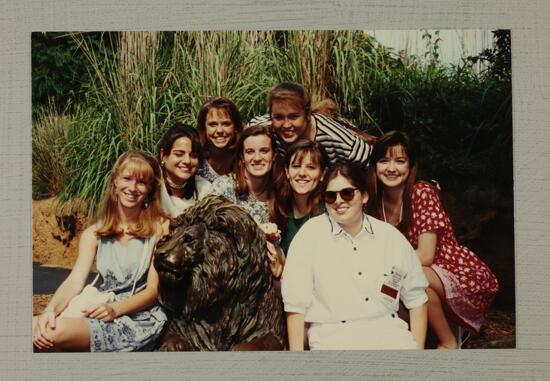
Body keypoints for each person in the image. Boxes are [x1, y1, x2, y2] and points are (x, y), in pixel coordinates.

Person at [366, 130, 499, 349]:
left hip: (450, 269)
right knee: (390, 289)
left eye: (400, 161)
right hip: (411, 272)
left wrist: (382, 264)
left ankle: (448, 342)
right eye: (384, 160)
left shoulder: (421, 193)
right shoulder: (373, 203)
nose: (391, 168)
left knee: (414, 279)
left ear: (411, 166)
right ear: (375, 165)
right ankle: (445, 328)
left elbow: (426, 256)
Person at [282, 163, 428, 350]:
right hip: (332, 338)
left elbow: (417, 298)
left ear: (365, 196)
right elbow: (295, 304)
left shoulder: (389, 237)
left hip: (390, 335)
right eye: (330, 195)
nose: (339, 201)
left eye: (347, 193)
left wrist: (418, 354)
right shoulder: (309, 236)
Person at [32, 151, 169, 352]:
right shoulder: (94, 233)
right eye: (127, 178)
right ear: (115, 181)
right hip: (100, 308)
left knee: (52, 333)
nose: (132, 188)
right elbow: (74, 282)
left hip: (136, 318)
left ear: (150, 189)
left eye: (141, 182)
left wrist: (115, 309)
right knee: (34, 327)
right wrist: (50, 310)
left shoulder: (160, 229)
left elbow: (153, 291)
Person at [210, 125, 283, 278]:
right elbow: (210, 235)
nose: (257, 158)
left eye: (264, 151)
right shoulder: (225, 187)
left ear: (274, 154)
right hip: (227, 275)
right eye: (250, 152)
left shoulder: (280, 192)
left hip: (264, 276)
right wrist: (255, 231)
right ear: (242, 157)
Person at [247, 82, 373, 166]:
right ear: (270, 116)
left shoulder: (336, 137)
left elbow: (373, 161)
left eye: (294, 117)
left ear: (308, 114)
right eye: (278, 117)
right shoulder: (262, 128)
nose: (286, 125)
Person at [270, 139, 329, 255]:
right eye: (296, 166)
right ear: (287, 171)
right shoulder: (279, 210)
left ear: (323, 174)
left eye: (311, 167)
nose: (302, 173)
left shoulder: (329, 215)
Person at [158, 123, 211, 218]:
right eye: (179, 154)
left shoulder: (203, 188)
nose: (187, 161)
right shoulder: (151, 186)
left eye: (193, 155)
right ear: (163, 156)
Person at [196, 97, 243, 183]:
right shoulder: (196, 163)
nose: (220, 130)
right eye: (213, 124)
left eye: (226, 124)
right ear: (204, 128)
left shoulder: (245, 161)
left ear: (235, 127)